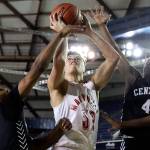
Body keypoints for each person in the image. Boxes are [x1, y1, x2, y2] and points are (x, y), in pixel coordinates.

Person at [0, 25, 83, 150]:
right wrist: (60, 35)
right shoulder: (8, 103)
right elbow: (38, 67)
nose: (6, 90)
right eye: (2, 89)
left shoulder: (9, 111)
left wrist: (59, 130)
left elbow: (34, 146)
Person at [47, 13, 119, 150]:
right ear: (64, 66)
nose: (73, 59)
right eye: (69, 58)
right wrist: (63, 34)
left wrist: (89, 32)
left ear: (85, 65)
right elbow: (58, 62)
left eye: (78, 58)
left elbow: (113, 58)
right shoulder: (59, 87)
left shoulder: (92, 88)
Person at [90, 6, 150, 150]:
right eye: (148, 58)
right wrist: (102, 27)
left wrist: (121, 124)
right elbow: (116, 53)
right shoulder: (134, 78)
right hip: (131, 139)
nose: (148, 59)